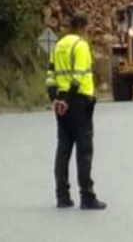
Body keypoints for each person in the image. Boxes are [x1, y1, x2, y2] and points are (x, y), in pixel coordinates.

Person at [46, 13, 107, 210]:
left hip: (61, 104)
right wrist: (67, 99)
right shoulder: (80, 45)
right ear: (83, 26)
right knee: (84, 150)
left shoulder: (58, 45)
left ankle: (62, 196)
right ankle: (87, 196)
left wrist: (56, 98)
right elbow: (78, 76)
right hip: (79, 102)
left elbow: (50, 76)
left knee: (63, 148)